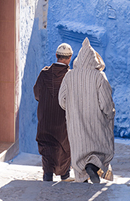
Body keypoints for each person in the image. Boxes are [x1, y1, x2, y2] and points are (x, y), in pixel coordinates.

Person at [58, 38, 115, 184]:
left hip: (76, 121)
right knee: (99, 146)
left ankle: (83, 175)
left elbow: (62, 99)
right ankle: (93, 165)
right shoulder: (99, 77)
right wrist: (109, 114)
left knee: (79, 147)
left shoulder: (69, 75)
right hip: (96, 119)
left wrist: (72, 109)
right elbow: (106, 103)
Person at [34, 43, 73, 182]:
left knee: (47, 145)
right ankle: (65, 175)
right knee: (65, 145)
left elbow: (36, 93)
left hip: (46, 117)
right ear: (70, 58)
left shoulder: (44, 73)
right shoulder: (70, 76)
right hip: (63, 119)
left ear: (56, 56)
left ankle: (48, 174)